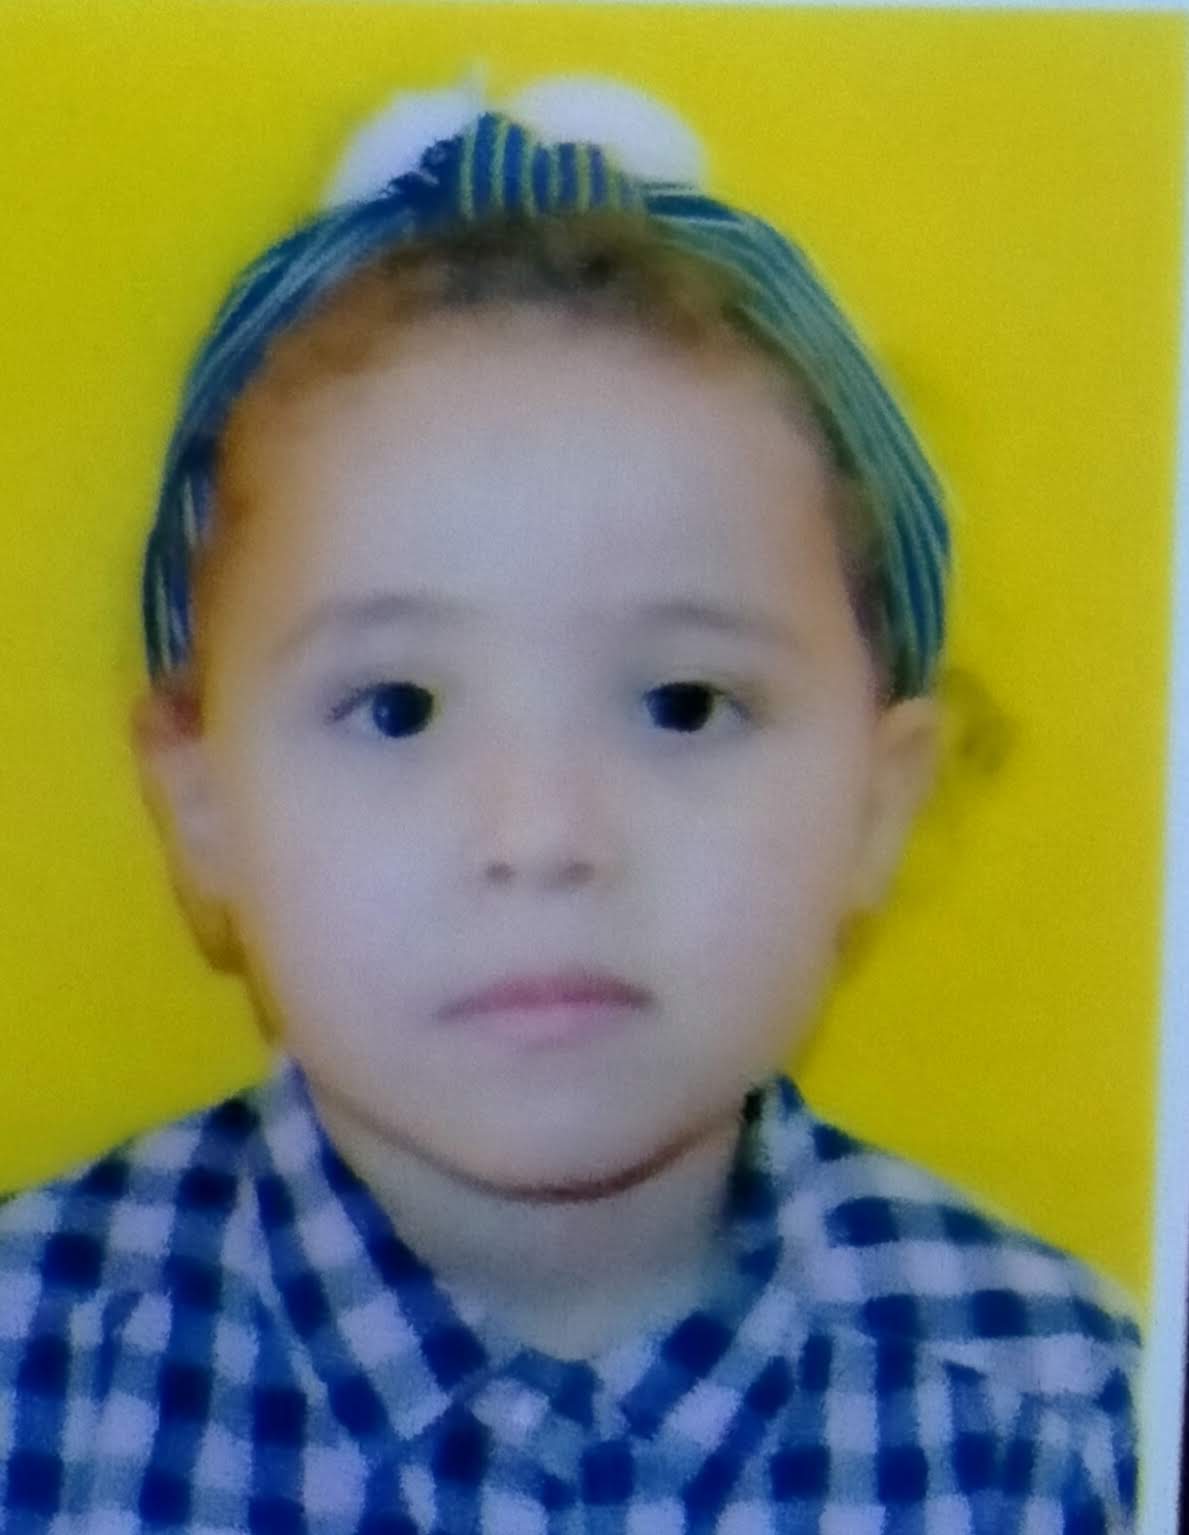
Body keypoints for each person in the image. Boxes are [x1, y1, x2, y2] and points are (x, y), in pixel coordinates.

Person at [0, 79, 1140, 1532]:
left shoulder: (1072, 1435)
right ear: (201, 806)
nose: (540, 838)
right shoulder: (34, 1387)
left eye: (684, 705)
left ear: (879, 799)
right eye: (397, 707)